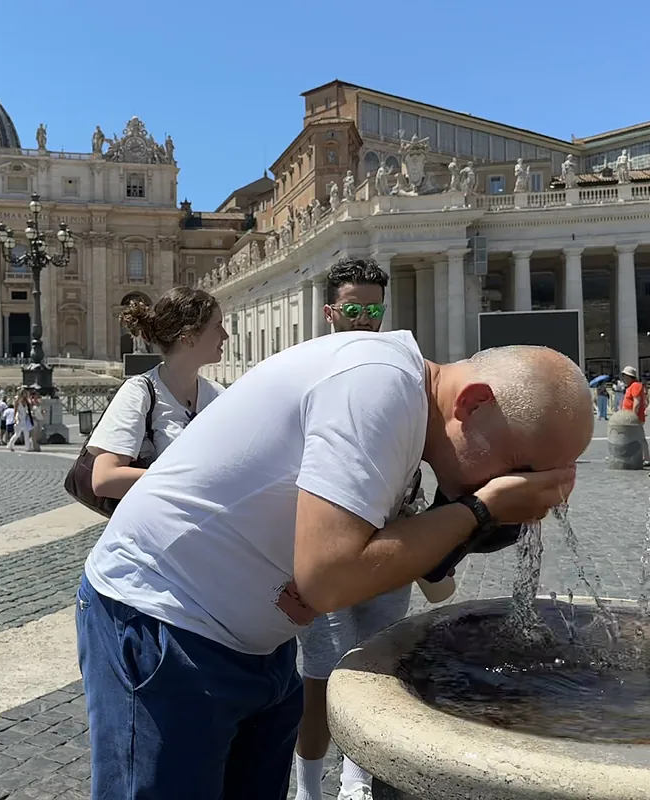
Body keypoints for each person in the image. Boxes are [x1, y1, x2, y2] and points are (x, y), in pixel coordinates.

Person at [76, 336, 593, 800]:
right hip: (164, 625)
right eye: (523, 469)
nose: (529, 489)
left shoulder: (403, 404)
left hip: (255, 646)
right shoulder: (377, 385)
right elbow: (330, 578)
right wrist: (482, 507)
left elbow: (343, 560)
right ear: (473, 402)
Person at [294, 259, 407, 800]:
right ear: (331, 312)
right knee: (319, 678)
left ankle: (356, 781)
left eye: (374, 309)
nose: (365, 319)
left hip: (390, 543)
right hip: (324, 541)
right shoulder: (305, 369)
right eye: (354, 309)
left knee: (376, 668)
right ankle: (311, 792)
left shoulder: (401, 366)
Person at [88, 287, 227, 501]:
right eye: (217, 326)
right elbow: (105, 478)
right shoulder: (139, 393)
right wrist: (194, 481)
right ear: (189, 337)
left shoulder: (219, 395)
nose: (225, 335)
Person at [619, 364, 650, 467]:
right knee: (631, 437)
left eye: (624, 376)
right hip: (629, 417)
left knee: (639, 438)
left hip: (634, 417)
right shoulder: (630, 386)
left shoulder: (635, 386)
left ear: (629, 377)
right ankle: (628, 457)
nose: (623, 378)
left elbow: (637, 402)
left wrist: (633, 417)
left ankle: (647, 458)